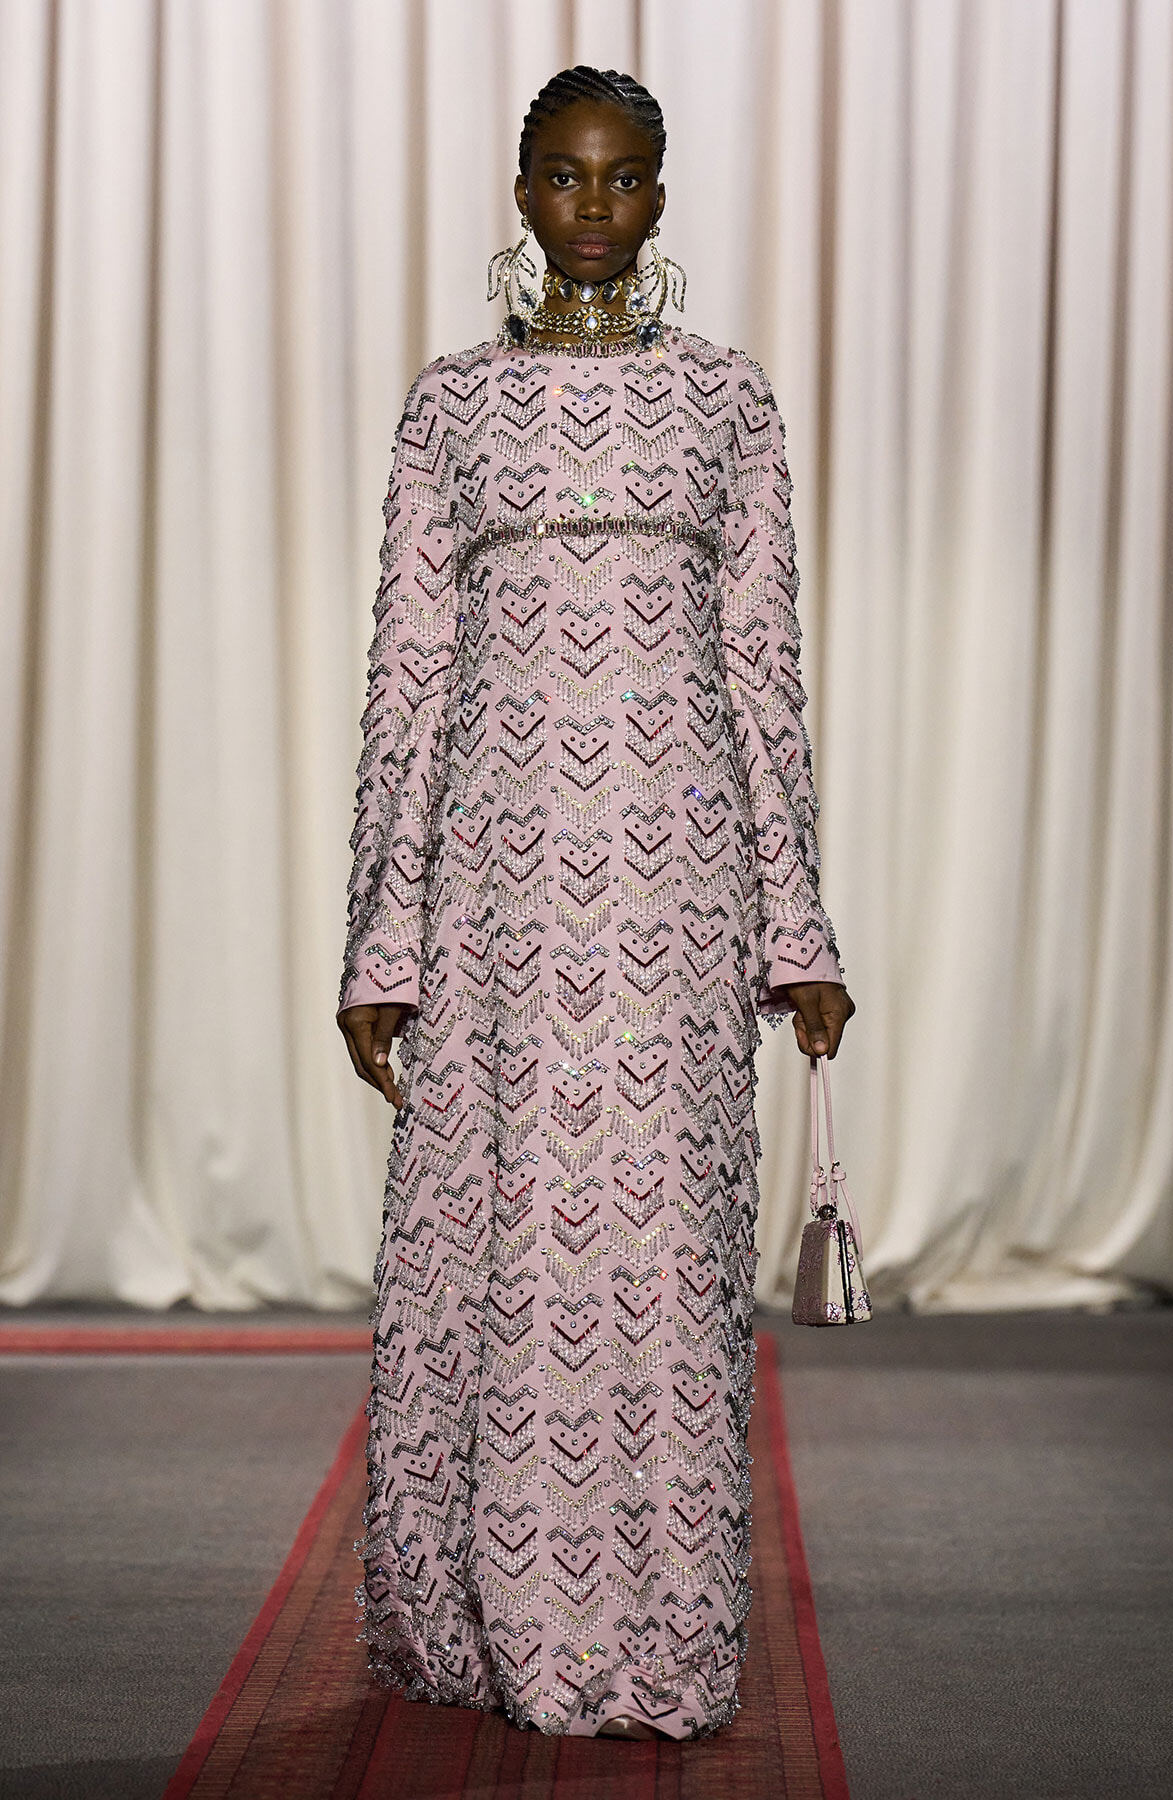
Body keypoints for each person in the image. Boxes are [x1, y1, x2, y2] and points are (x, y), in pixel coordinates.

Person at [337, 65, 854, 1743]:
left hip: (678, 897)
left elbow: (763, 676)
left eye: (623, 180)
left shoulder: (727, 404)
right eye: (562, 177)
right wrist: (381, 942)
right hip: (495, 898)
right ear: (518, 190)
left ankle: (657, 1631)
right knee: (491, 1237)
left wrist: (798, 927)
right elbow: (409, 683)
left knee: (662, 1251)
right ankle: (474, 1618)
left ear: (662, 198)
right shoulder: (451, 411)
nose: (592, 210)